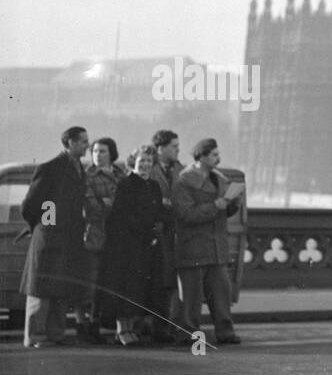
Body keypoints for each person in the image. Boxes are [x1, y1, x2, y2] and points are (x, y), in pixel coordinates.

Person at [19, 126, 90, 348]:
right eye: (83, 141)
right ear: (69, 143)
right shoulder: (50, 168)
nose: (87, 145)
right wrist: (44, 226)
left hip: (67, 239)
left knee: (60, 290)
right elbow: (30, 205)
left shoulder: (79, 169)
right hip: (49, 239)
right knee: (41, 291)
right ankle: (36, 337)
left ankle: (55, 335)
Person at [174, 138, 242, 346]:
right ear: (201, 157)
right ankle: (188, 332)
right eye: (213, 154)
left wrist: (231, 203)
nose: (218, 158)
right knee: (191, 296)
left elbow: (225, 209)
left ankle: (225, 331)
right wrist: (216, 205)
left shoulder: (218, 178)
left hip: (215, 245)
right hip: (193, 245)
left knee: (221, 291)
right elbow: (185, 214)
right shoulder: (184, 181)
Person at [100, 145, 165, 346]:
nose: (145, 165)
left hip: (146, 245)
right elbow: (122, 216)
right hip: (127, 246)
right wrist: (148, 229)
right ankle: (122, 330)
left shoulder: (154, 186)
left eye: (148, 161)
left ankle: (131, 329)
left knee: (139, 288)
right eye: (141, 161)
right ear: (132, 164)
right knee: (126, 287)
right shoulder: (126, 184)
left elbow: (158, 212)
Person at [78, 137, 126, 343]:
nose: (97, 155)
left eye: (103, 151)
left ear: (112, 153)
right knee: (90, 283)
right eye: (95, 151)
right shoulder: (87, 176)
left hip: (116, 238)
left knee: (109, 283)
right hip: (94, 235)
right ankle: (86, 327)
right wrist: (113, 205)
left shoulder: (121, 175)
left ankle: (98, 323)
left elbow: (129, 203)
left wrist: (108, 203)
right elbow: (90, 208)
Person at [148, 129, 184, 340]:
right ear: (160, 148)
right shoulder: (149, 168)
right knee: (158, 282)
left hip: (175, 233)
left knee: (171, 282)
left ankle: (171, 326)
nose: (178, 151)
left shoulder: (181, 169)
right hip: (157, 233)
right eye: (174, 147)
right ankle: (158, 327)